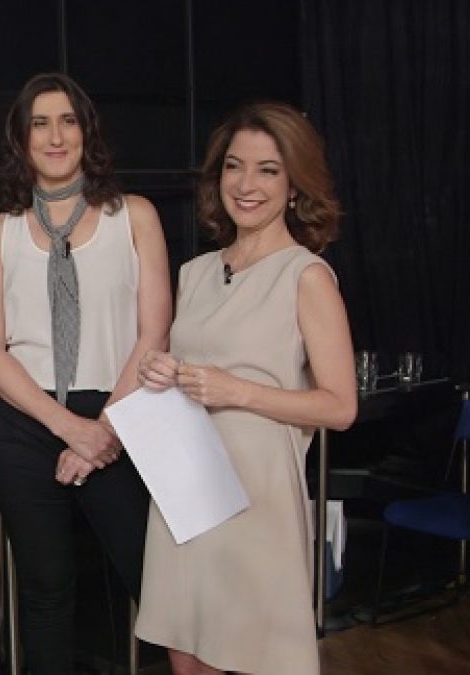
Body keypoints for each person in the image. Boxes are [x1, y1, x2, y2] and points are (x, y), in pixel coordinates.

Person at [135, 102, 357, 675]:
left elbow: (340, 407)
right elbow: (195, 375)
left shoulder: (306, 276)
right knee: (186, 653)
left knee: (256, 655)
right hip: (187, 490)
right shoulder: (196, 273)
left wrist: (237, 390)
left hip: (259, 500)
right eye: (234, 166)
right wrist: (163, 373)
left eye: (267, 170)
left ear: (294, 186)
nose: (246, 184)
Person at [0, 72, 172, 673]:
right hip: (25, 421)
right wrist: (70, 429)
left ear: (87, 132)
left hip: (121, 413)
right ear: (21, 138)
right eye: (40, 123)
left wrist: (103, 430)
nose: (55, 137)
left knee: (156, 580)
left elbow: (154, 333)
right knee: (46, 589)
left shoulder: (134, 216)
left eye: (68, 121)